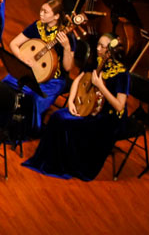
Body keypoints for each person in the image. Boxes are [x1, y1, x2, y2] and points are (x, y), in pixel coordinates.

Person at [25, 34, 130, 181]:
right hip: (88, 105)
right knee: (56, 116)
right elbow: (77, 80)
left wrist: (100, 85)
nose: (97, 48)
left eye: (102, 46)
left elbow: (119, 106)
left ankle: (67, 165)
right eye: (98, 44)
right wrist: (71, 101)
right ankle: (48, 161)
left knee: (69, 123)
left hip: (108, 117)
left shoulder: (122, 74)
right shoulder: (96, 61)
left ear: (110, 51)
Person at [5, 0, 78, 136]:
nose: (41, 14)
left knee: (34, 99)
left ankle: (24, 132)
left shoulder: (67, 37)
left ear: (56, 16)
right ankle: (4, 120)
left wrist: (67, 48)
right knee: (7, 82)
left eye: (45, 12)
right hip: (32, 71)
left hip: (53, 80)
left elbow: (68, 68)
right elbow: (14, 44)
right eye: (41, 10)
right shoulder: (37, 26)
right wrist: (23, 58)